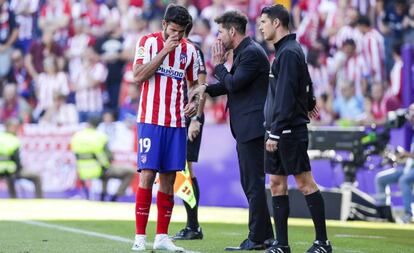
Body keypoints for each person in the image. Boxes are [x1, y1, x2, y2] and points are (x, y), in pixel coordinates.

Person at [192, 10, 274, 251]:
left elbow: (234, 84)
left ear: (232, 31)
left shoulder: (251, 53)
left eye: (220, 32)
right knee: (251, 181)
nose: (218, 37)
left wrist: (218, 66)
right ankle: (265, 235)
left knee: (253, 182)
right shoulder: (243, 52)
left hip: (252, 127)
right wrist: (204, 89)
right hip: (247, 127)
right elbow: (232, 86)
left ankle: (257, 238)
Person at [259, 5, 332, 253]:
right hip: (279, 129)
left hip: (288, 131)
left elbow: (286, 94)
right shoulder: (288, 50)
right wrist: (310, 101)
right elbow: (305, 80)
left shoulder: (288, 52)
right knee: (277, 184)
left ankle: (323, 242)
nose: (260, 26)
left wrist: (276, 131)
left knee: (305, 183)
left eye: (264, 22)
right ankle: (282, 245)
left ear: (277, 23)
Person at [131, 4, 199, 252]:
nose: (176, 36)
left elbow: (194, 85)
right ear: (163, 25)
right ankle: (140, 237)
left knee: (169, 180)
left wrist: (195, 103)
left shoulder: (189, 50)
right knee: (147, 175)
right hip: (150, 120)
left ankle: (161, 236)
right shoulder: (147, 42)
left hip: (176, 122)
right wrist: (164, 51)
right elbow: (138, 76)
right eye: (172, 31)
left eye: (181, 32)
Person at [173, 20, 207, 241]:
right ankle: (190, 224)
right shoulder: (166, 48)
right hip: (170, 116)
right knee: (177, 170)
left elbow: (200, 86)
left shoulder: (193, 50)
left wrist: (195, 118)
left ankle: (193, 225)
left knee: (186, 169)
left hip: (188, 117)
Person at [71, 116, 133, 202]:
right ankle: (114, 198)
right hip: (99, 171)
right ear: (98, 125)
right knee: (129, 171)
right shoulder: (100, 136)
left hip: (81, 171)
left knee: (105, 166)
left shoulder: (76, 136)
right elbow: (109, 157)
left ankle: (103, 195)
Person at [375, 103, 414, 224]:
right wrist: (398, 158)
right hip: (409, 168)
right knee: (380, 179)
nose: (411, 115)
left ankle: (409, 214)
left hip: (410, 171)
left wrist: (406, 154)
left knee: (404, 180)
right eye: (411, 112)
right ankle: (383, 213)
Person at [0, 118, 43, 198]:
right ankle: (39, 202)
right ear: (7, 127)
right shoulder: (13, 140)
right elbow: (16, 160)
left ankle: (13, 199)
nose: (16, 129)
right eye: (14, 127)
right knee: (37, 177)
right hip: (11, 171)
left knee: (10, 177)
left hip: (4, 171)